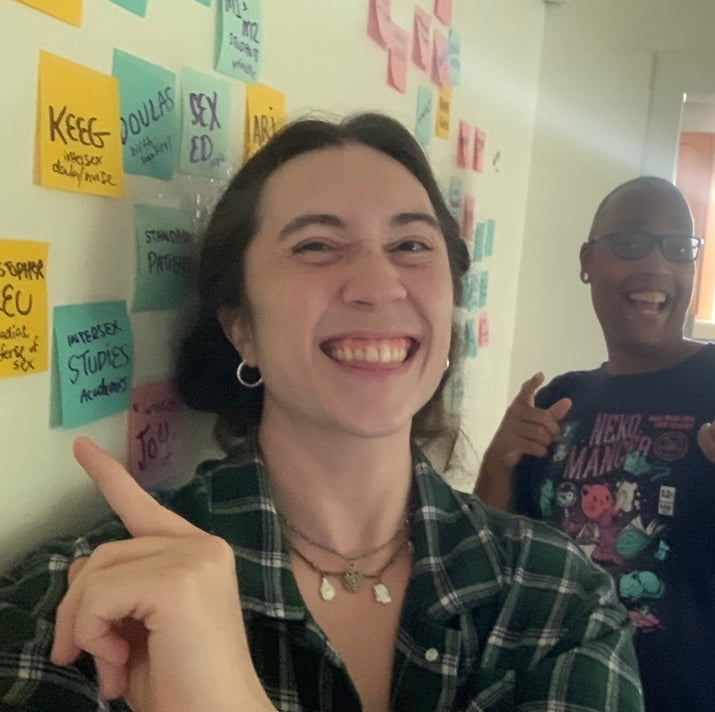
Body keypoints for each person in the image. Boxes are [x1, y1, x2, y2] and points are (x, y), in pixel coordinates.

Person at [0, 114, 644, 711]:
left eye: (413, 246)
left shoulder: (559, 600)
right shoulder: (90, 592)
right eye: (315, 245)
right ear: (241, 327)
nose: (377, 285)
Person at [475, 176, 715, 712]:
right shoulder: (561, 400)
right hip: (567, 698)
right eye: (631, 243)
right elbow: (490, 574)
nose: (657, 266)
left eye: (679, 248)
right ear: (588, 260)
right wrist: (499, 462)